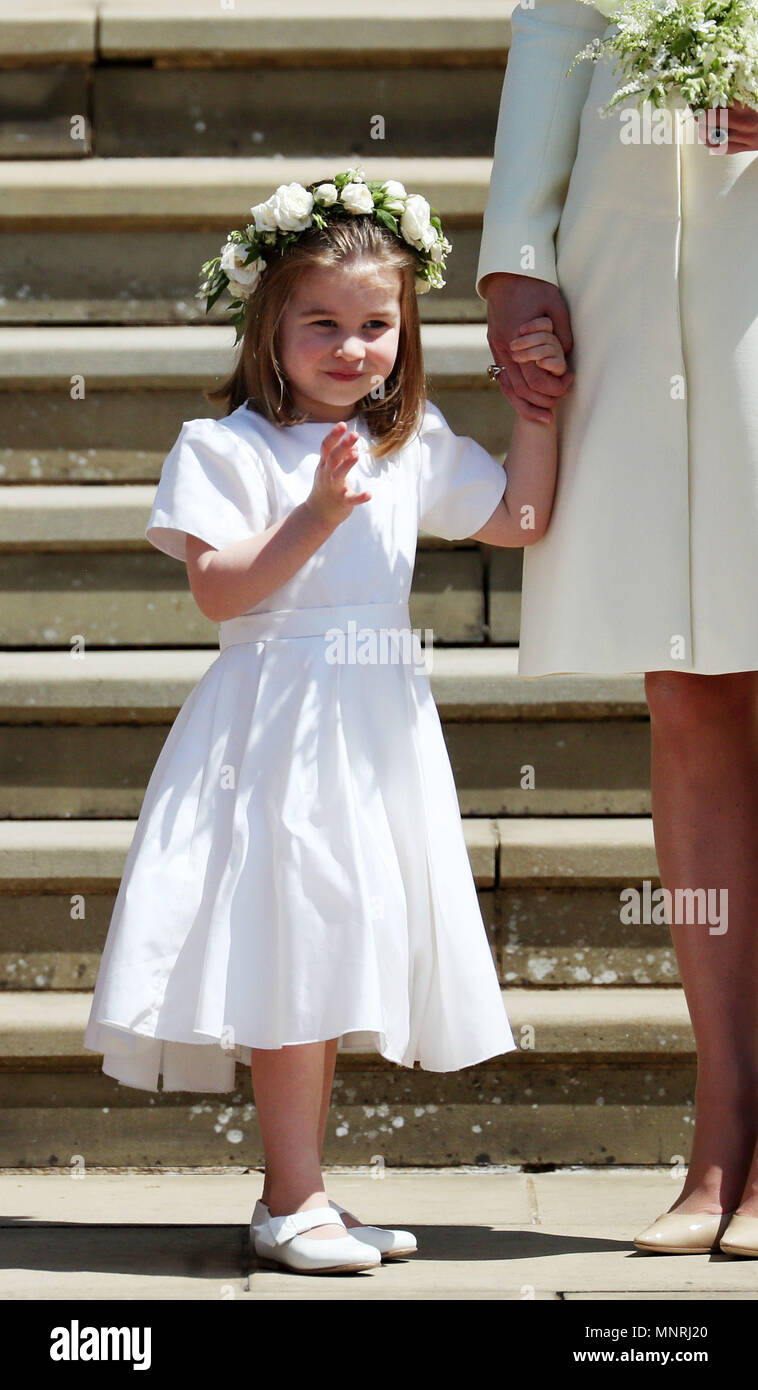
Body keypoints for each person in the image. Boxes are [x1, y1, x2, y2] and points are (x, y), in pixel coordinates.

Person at [83, 168, 570, 1274]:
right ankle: (288, 1195)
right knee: (293, 941)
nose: (353, 348)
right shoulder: (226, 450)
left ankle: (302, 1192)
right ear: (270, 323)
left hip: (374, 727)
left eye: (375, 325)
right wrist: (311, 513)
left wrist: (536, 411)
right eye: (323, 324)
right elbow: (220, 592)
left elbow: (520, 518)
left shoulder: (408, 443)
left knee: (340, 938)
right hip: (273, 724)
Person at [477, 0, 758, 1256]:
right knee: (687, 690)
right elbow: (556, 20)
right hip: (627, 273)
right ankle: (722, 1121)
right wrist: (513, 249)